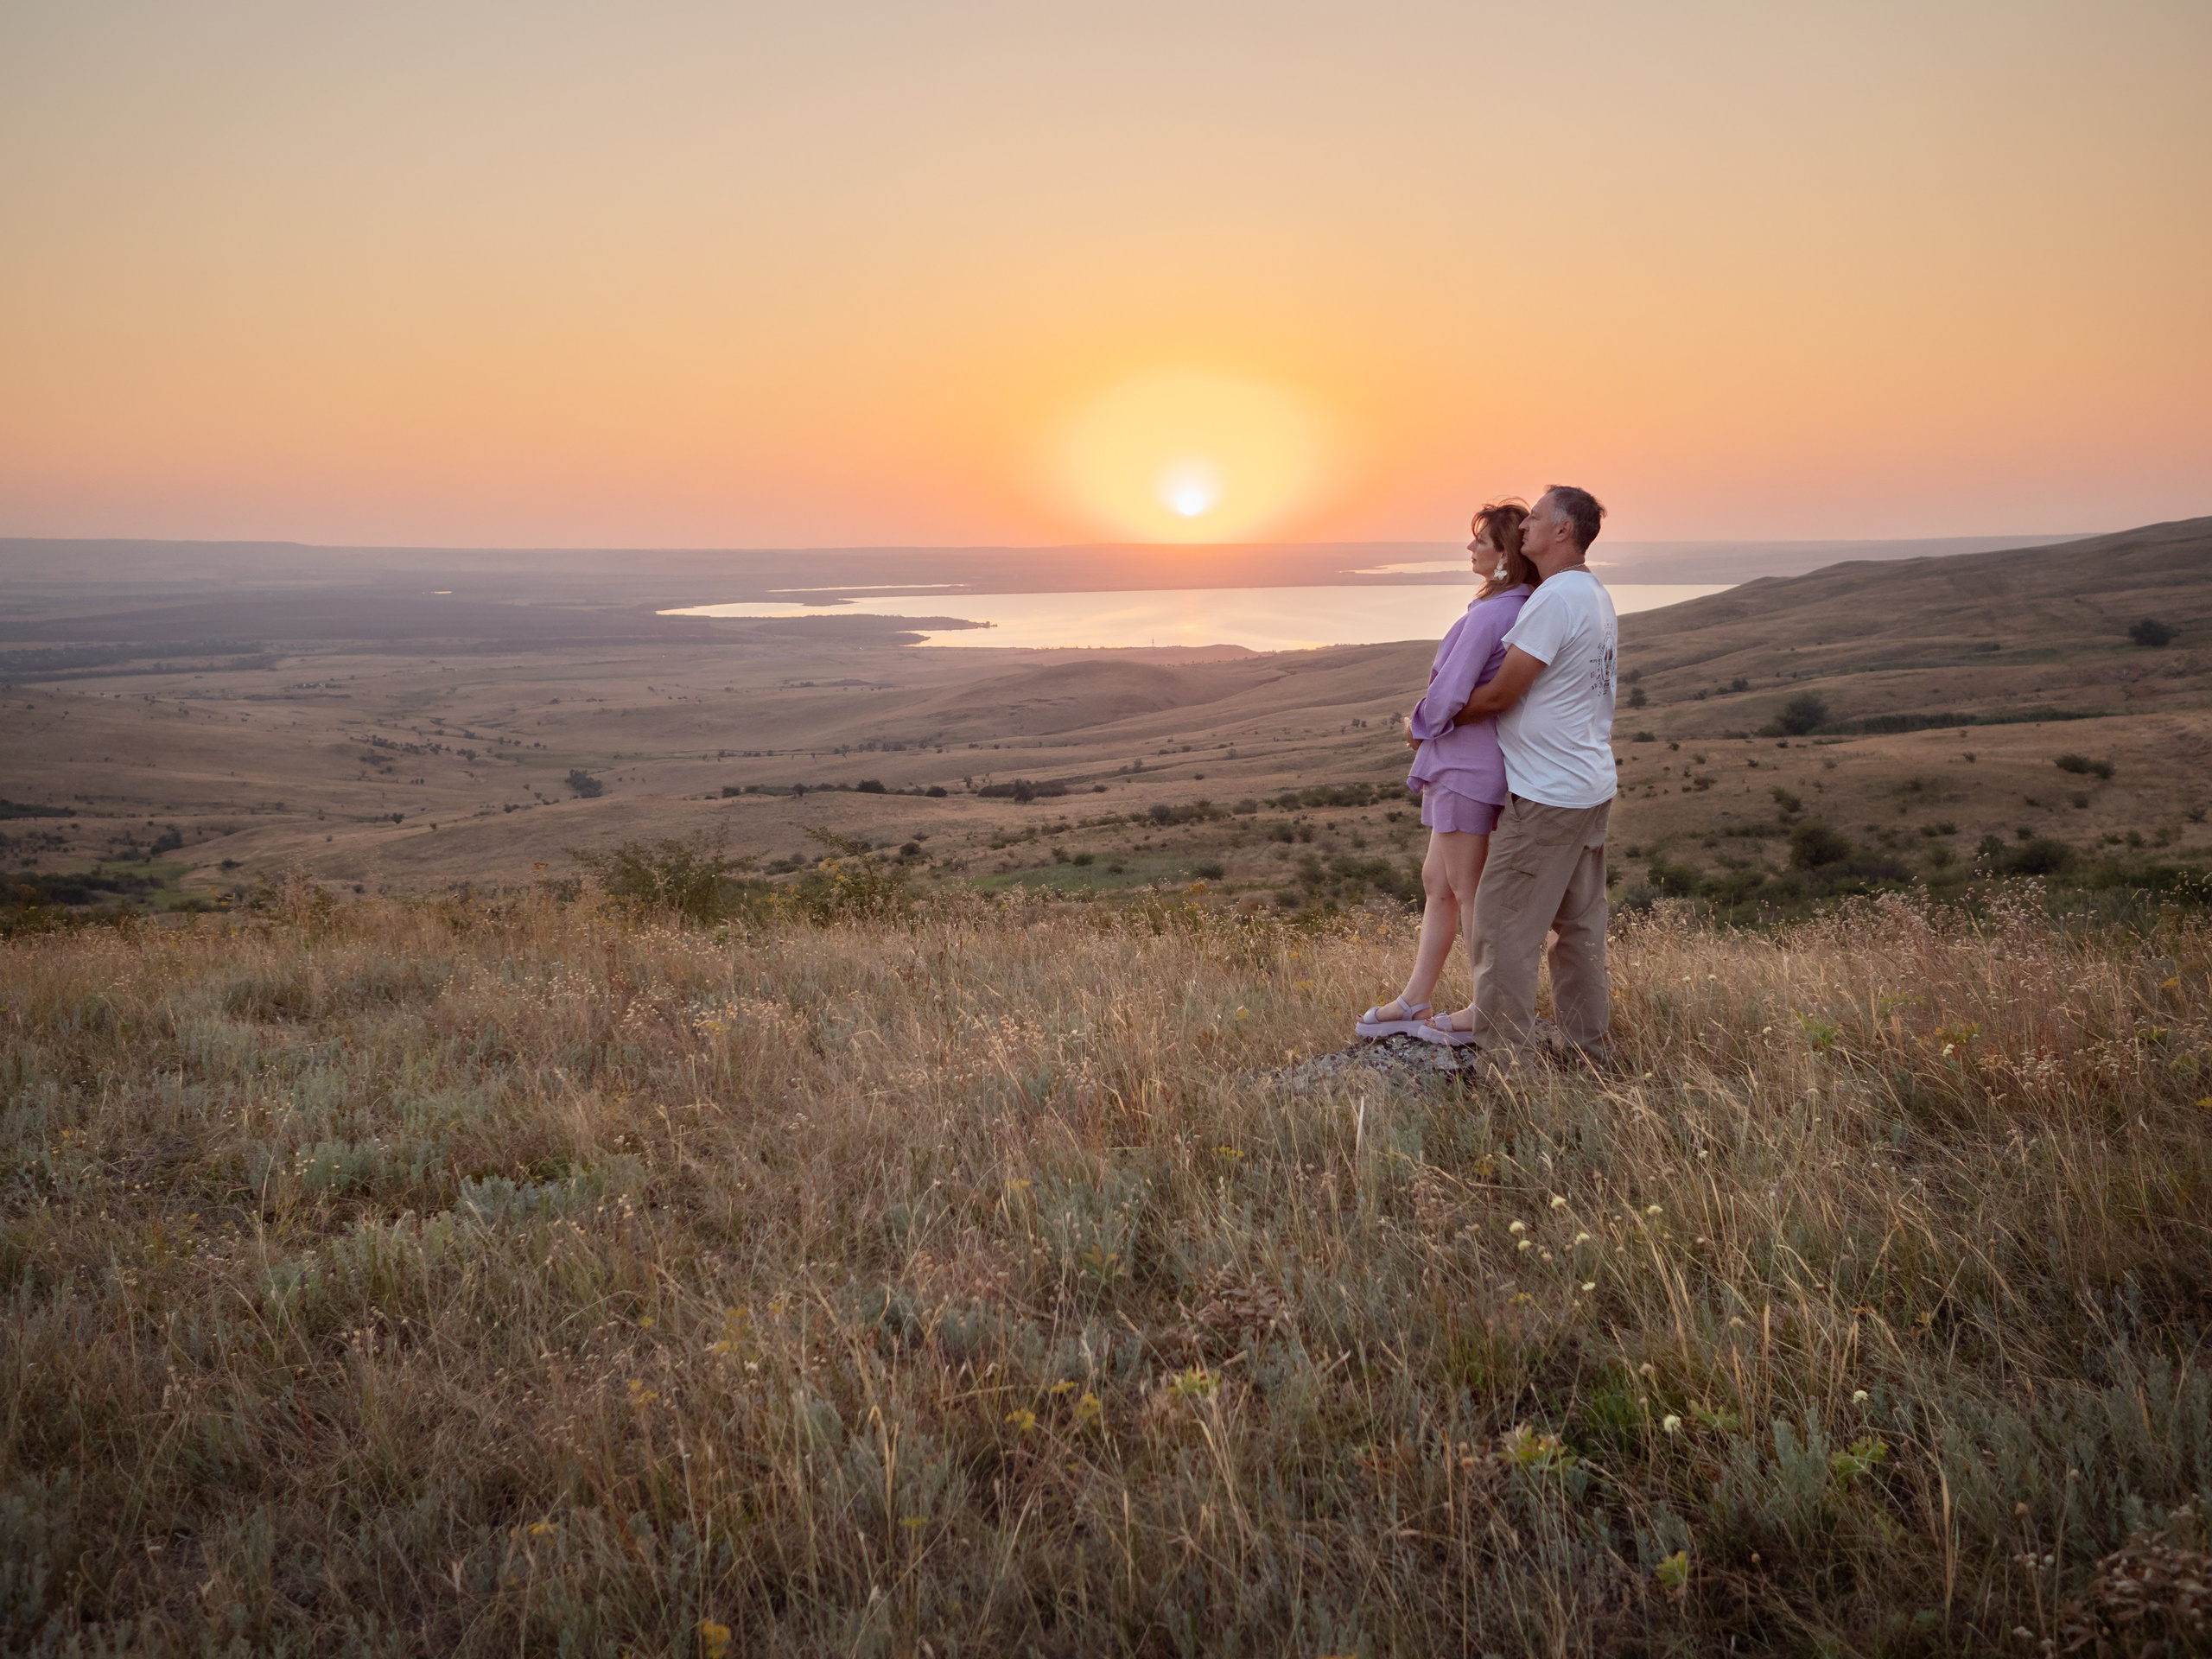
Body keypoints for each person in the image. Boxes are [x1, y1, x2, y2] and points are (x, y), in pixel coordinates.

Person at [1414, 484, 1618, 1064]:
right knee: (1578, 931)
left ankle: (1505, 1065)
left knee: (1501, 927)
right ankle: (1588, 1051)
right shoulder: (1594, 594)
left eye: (1535, 517)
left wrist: (1429, 723)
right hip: (1590, 783)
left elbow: (1502, 692)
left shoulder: (1554, 601)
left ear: (1562, 532)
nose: (1523, 526)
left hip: (1549, 791)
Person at [1353, 501, 1535, 1037]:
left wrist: (1417, 724)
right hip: (1464, 762)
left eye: (1482, 542)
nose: (1471, 549)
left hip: (1465, 765)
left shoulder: (1492, 613)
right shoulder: (1513, 606)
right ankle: (1415, 1001)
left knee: (1468, 888)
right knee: (1439, 882)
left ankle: (1489, 1008)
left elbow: (1451, 690)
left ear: (1505, 556)